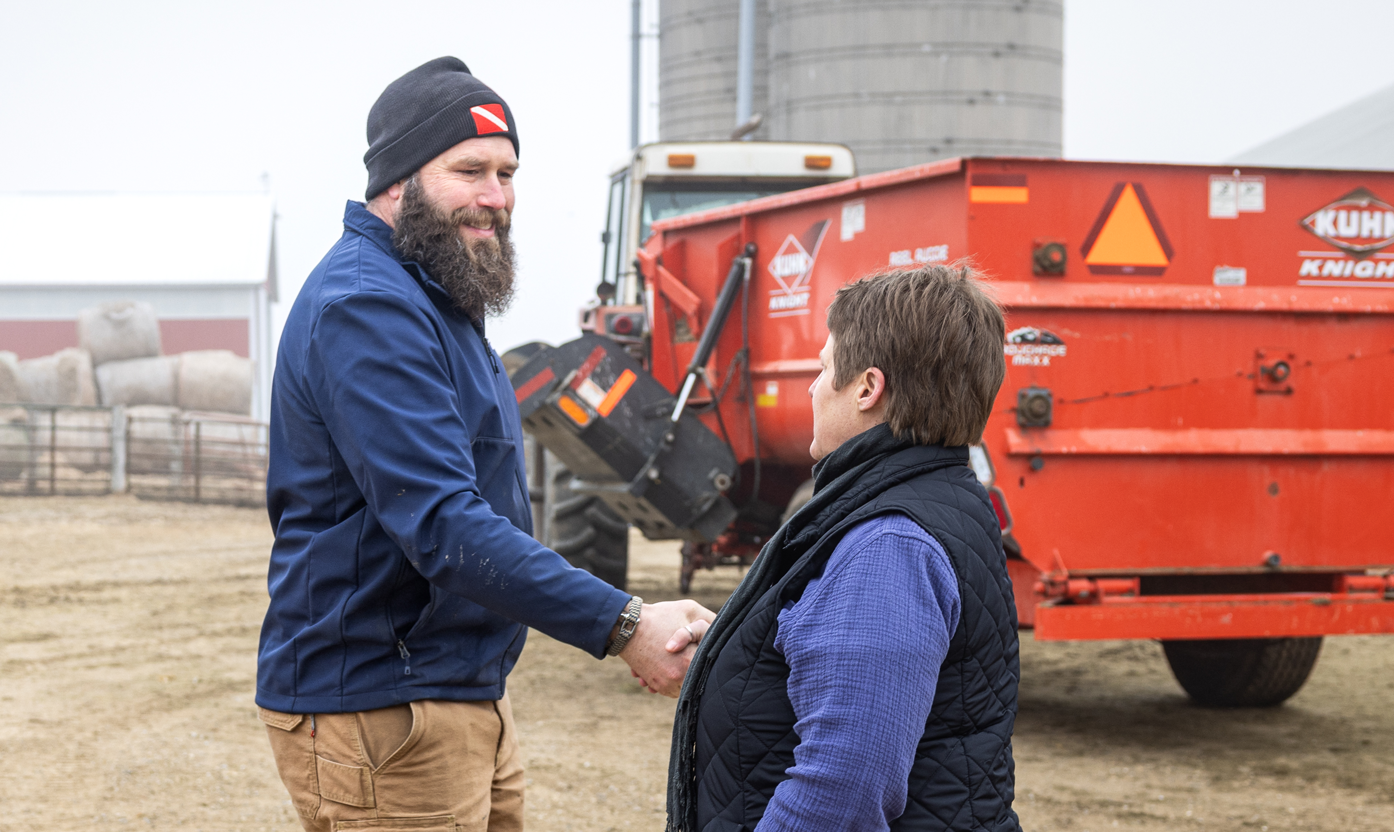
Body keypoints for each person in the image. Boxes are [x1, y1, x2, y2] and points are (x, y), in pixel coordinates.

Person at [255, 56, 714, 832]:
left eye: (507, 173)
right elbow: (442, 523)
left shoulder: (436, 300)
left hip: (449, 694)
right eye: (469, 170)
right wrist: (626, 624)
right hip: (384, 708)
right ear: (398, 181)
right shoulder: (368, 307)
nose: (495, 198)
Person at [662, 264, 1022, 832]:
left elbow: (844, 787)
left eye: (823, 367)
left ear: (866, 389)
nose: (810, 386)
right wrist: (744, 648)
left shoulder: (890, 543)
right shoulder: (927, 501)